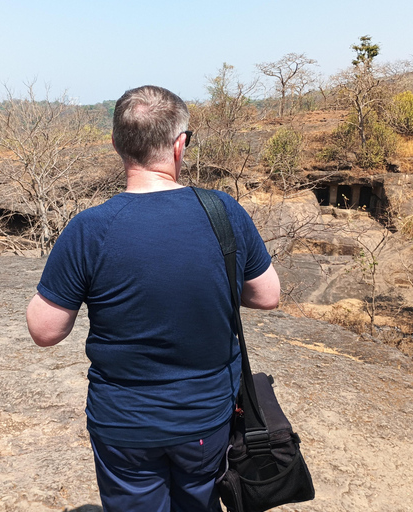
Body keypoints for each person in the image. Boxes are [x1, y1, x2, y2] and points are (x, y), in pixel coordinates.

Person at [26, 85, 281, 512]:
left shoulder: (89, 229)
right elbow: (267, 294)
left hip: (123, 421)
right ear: (180, 145)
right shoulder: (223, 212)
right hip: (204, 416)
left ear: (116, 144)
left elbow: (45, 330)